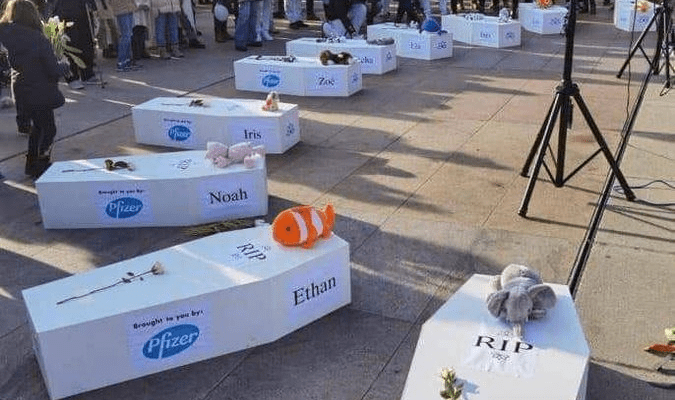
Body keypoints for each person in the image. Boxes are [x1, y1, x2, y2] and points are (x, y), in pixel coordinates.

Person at [0, 0, 69, 178]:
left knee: (38, 127)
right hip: (40, 89)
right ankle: (39, 163)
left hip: (22, 87)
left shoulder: (7, 33)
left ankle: (32, 164)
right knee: (48, 129)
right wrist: (65, 65)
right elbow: (53, 69)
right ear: (32, 15)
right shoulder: (37, 38)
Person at [51, 0, 98, 89]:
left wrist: (92, 5)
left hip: (83, 13)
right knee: (70, 46)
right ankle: (72, 78)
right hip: (65, 14)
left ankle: (87, 74)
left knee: (86, 45)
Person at [107, 0, 141, 71]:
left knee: (128, 35)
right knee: (126, 36)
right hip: (121, 8)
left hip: (128, 7)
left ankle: (127, 62)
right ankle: (121, 62)